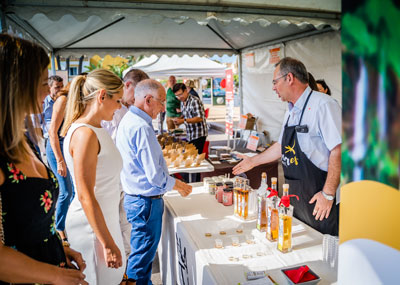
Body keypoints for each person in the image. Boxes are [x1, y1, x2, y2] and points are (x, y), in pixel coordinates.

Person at [0, 34, 87, 285]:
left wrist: (56, 247)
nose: (49, 90)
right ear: (12, 86)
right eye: (41, 83)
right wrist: (56, 274)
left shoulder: (22, 138)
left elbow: (29, 222)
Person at [233, 57, 341, 236]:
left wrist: (328, 194)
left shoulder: (324, 105)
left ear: (289, 78)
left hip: (321, 197)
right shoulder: (290, 110)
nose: (274, 87)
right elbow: (282, 146)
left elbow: (338, 150)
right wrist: (253, 161)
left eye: (275, 82)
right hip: (298, 196)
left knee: (323, 254)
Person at [116, 79, 192, 285]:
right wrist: (179, 185)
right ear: (148, 99)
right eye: (161, 102)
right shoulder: (141, 127)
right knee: (141, 260)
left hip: (138, 199)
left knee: (142, 257)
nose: (162, 108)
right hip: (145, 201)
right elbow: (155, 177)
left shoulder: (131, 120)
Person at [61, 69, 126, 284]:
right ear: (102, 96)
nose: (120, 107)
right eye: (117, 101)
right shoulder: (85, 134)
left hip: (104, 222)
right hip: (92, 229)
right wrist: (107, 243)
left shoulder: (96, 130)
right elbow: (85, 195)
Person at [101, 68, 149, 284]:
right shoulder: (113, 111)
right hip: (113, 180)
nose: (135, 100)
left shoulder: (124, 109)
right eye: (135, 94)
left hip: (123, 179)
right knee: (119, 228)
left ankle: (126, 275)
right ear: (127, 85)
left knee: (125, 228)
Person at [47, 82, 75, 242]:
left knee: (73, 191)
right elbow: (52, 132)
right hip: (56, 146)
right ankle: (59, 228)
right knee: (66, 191)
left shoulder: (75, 101)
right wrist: (59, 161)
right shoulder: (63, 100)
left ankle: (66, 223)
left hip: (67, 145)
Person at [172, 83, 208, 154]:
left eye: (180, 94)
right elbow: (185, 114)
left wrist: (183, 120)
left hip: (198, 134)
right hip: (190, 134)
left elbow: (200, 118)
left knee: (195, 157)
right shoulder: (182, 102)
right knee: (190, 156)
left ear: (186, 91)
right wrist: (179, 118)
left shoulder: (194, 100)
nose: (179, 97)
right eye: (177, 96)